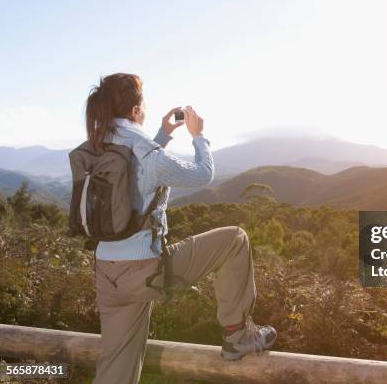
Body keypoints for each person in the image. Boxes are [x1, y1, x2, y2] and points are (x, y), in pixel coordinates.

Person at [86, 73, 276, 384]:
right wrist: (197, 136)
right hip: (143, 271)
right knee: (234, 240)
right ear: (135, 112)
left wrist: (162, 133)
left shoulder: (99, 145)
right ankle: (238, 334)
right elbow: (202, 175)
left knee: (116, 368)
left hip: (106, 271)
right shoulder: (144, 151)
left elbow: (135, 176)